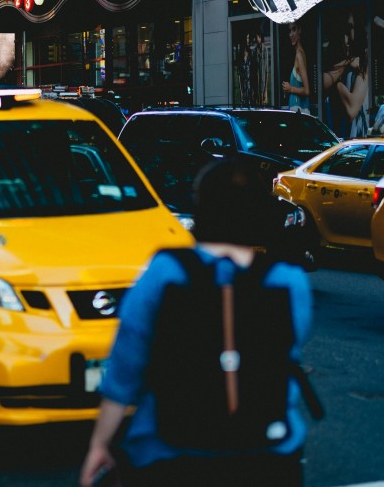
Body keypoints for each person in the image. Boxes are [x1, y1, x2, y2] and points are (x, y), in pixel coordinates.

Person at [79, 159, 313, 487]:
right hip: (268, 453)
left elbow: (124, 370)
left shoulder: (165, 272)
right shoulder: (288, 281)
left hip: (171, 452)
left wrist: (99, 445)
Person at [282, 21, 311, 113]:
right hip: (297, 110)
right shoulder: (299, 54)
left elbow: (307, 90)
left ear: (300, 30)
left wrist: (290, 88)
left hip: (299, 111)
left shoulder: (300, 55)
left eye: (294, 29)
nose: (291, 34)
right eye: (289, 31)